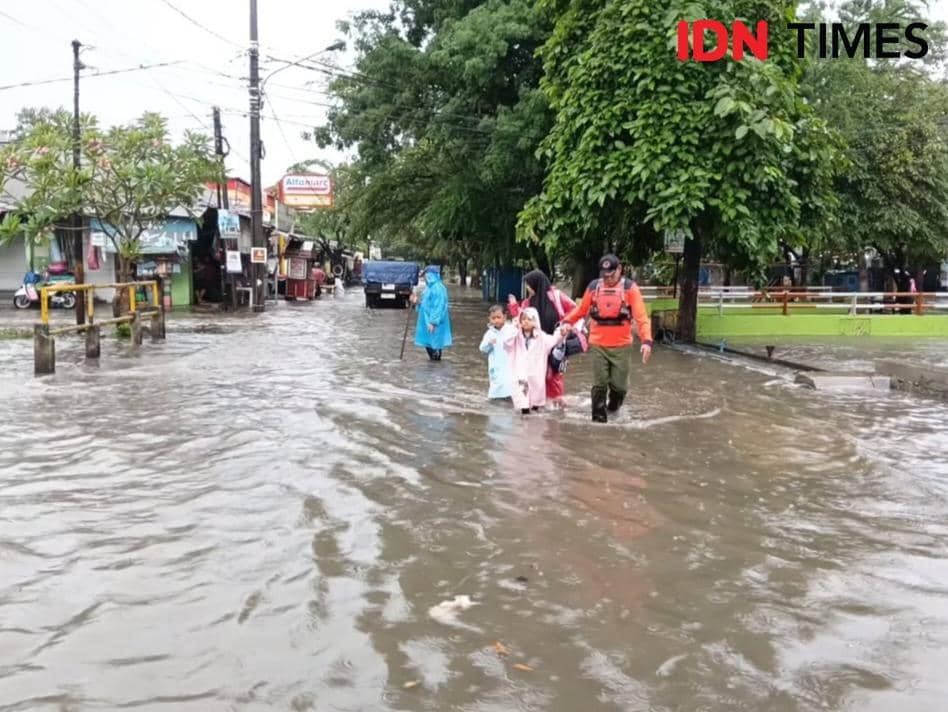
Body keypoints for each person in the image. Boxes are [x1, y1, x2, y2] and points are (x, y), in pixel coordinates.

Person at [560, 254, 653, 423]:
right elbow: (581, 310)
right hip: (598, 344)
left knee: (620, 387)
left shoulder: (630, 289)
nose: (608, 279)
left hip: (622, 346)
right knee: (600, 384)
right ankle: (598, 422)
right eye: (605, 275)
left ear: (619, 269)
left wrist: (647, 341)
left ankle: (613, 409)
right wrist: (567, 322)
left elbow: (641, 317)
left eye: (612, 275)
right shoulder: (594, 287)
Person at [507, 269, 579, 406]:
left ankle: (556, 406)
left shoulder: (557, 296)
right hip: (536, 344)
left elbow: (575, 309)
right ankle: (537, 404)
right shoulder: (528, 303)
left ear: (536, 284)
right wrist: (514, 306)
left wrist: (566, 325)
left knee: (555, 375)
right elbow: (521, 319)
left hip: (556, 341)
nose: (527, 288)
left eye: (529, 285)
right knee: (535, 376)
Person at [504, 307, 565, 415]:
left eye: (529, 319)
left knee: (535, 401)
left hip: (536, 374)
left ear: (535, 321)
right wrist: (514, 328)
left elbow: (553, 340)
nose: (525, 322)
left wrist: (561, 333)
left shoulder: (541, 338)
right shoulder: (516, 337)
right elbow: (506, 344)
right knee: (524, 401)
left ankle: (533, 419)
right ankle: (525, 416)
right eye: (523, 319)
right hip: (521, 373)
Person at [412, 265, 453, 361]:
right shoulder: (428, 288)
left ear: (430, 275)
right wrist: (416, 302)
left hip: (434, 323)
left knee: (435, 348)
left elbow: (439, 306)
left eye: (425, 276)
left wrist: (433, 322)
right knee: (429, 345)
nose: (424, 278)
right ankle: (433, 370)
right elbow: (425, 303)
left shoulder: (438, 288)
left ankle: (436, 371)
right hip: (427, 322)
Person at [479, 304, 515, 400]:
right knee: (496, 388)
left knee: (511, 386)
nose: (496, 320)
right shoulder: (489, 333)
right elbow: (482, 348)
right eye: (493, 318)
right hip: (496, 365)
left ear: (505, 317)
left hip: (509, 363)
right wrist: (489, 343)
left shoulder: (511, 330)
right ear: (489, 319)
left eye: (499, 317)